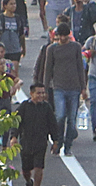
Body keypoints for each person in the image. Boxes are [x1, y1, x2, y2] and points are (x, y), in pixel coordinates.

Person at [32, 21, 86, 154]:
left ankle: (68, 146)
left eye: (65, 36)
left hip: (74, 87)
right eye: (60, 36)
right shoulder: (52, 49)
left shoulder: (76, 47)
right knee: (60, 117)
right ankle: (59, 141)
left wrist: (83, 88)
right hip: (58, 87)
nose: (62, 39)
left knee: (72, 119)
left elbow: (80, 68)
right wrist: (44, 89)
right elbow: (48, 69)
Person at [14, 80, 59, 186]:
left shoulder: (46, 108)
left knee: (39, 167)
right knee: (26, 169)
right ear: (31, 93)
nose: (41, 96)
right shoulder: (24, 107)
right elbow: (16, 123)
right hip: (26, 142)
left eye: (43, 93)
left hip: (41, 142)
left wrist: (56, 141)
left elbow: (53, 125)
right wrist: (14, 137)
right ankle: (29, 182)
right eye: (38, 93)